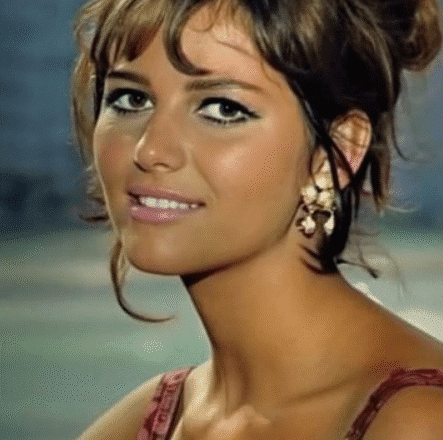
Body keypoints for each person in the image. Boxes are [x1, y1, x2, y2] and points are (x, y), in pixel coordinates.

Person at [72, 0, 443, 438]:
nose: (150, 150)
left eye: (223, 109)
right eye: (131, 99)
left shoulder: (417, 420)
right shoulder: (149, 420)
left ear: (339, 150)